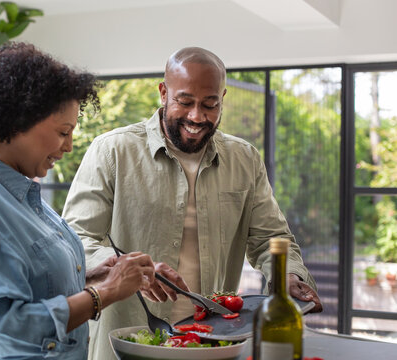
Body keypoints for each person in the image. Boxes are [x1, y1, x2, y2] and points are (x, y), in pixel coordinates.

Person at [62, 46, 323, 360]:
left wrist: (289, 276)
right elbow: (75, 241)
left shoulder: (245, 159)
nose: (197, 116)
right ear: (163, 93)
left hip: (212, 342)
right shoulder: (112, 151)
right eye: (184, 102)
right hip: (129, 340)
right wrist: (128, 269)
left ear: (222, 98)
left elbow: (270, 239)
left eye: (210, 104)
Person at [0, 42, 155, 360]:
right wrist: (104, 293)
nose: (68, 146)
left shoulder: (7, 183)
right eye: (62, 132)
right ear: (17, 120)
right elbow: (5, 330)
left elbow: (17, 277)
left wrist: (93, 276)